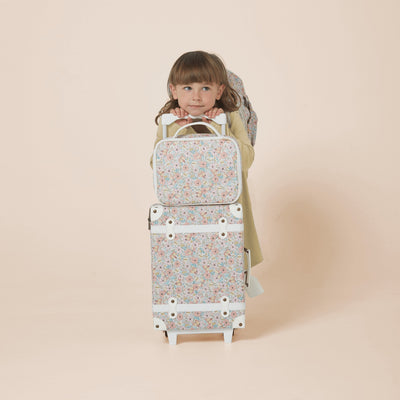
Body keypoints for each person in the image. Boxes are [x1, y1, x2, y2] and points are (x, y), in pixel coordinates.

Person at [151, 50, 263, 268]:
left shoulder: (229, 118)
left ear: (219, 91)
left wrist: (221, 130)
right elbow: (157, 166)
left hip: (226, 209)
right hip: (185, 210)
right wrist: (175, 130)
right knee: (193, 266)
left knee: (230, 266)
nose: (196, 96)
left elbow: (246, 160)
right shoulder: (169, 123)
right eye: (187, 88)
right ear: (174, 90)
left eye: (205, 88)